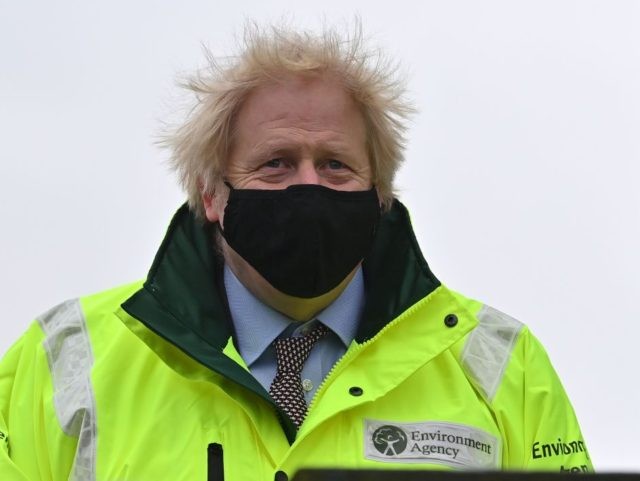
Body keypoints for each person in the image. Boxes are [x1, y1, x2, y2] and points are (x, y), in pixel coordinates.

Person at [0, 23, 592, 481]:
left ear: (380, 194)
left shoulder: (498, 364)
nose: (306, 187)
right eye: (275, 163)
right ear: (211, 193)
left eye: (335, 165)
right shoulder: (64, 361)